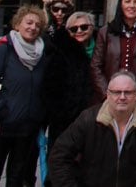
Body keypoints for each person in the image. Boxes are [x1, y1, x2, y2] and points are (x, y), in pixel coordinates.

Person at [0, 4, 51, 187]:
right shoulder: (2, 51)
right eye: (28, 23)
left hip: (27, 126)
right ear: (17, 25)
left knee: (17, 175)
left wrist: (39, 114)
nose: (33, 28)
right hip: (1, 126)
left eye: (38, 25)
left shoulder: (41, 55)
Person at [49, 70, 136, 187]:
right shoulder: (88, 119)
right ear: (108, 94)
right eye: (116, 92)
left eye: (128, 92)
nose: (122, 97)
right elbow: (59, 157)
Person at [43, 11, 96, 168]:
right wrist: (60, 113)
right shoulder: (59, 51)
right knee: (62, 162)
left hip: (95, 118)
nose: (79, 31)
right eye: (74, 29)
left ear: (92, 27)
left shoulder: (102, 47)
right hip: (64, 121)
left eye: (84, 27)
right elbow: (49, 88)